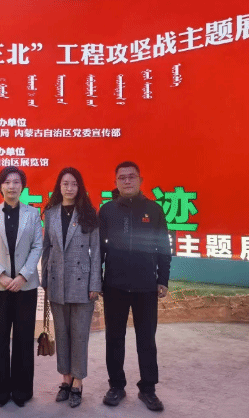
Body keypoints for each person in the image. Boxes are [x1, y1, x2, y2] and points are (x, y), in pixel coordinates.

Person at [99, 161, 171, 412]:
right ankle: (116, 386)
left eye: (131, 177)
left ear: (140, 180)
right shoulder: (107, 210)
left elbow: (163, 247)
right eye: (122, 177)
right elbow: (99, 248)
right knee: (114, 339)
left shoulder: (154, 209)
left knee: (146, 341)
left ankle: (148, 389)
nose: (127, 181)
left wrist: (163, 279)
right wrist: (97, 280)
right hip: (114, 286)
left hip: (145, 287)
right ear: (116, 182)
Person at [0, 166, 43, 408]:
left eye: (16, 182)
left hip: (26, 287)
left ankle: (22, 391)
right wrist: (1, 275)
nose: (12, 186)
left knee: (24, 340)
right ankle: (1, 391)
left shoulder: (33, 213)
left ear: (22, 186)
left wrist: (23, 276)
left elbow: (37, 246)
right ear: (0, 186)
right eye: (7, 182)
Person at [41, 167, 102, 408]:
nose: (69, 188)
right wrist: (45, 279)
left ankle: (78, 382)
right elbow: (47, 247)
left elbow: (96, 251)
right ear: (59, 186)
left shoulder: (88, 213)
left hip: (82, 283)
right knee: (62, 333)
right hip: (57, 282)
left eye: (74, 184)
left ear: (80, 187)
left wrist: (95, 283)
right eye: (65, 183)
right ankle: (65, 380)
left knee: (80, 335)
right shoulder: (51, 213)